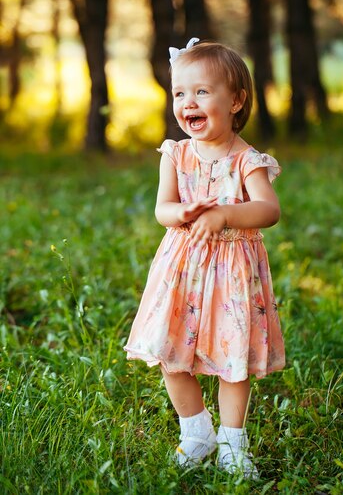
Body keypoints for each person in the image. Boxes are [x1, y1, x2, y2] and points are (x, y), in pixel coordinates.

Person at [124, 37, 285, 478]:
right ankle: (196, 432)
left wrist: (226, 214)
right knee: (169, 350)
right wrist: (183, 212)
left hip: (233, 271)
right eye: (179, 93)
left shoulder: (247, 160)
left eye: (201, 92)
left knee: (233, 363)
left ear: (236, 101)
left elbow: (269, 210)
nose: (187, 102)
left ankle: (234, 445)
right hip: (182, 268)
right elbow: (162, 210)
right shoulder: (175, 155)